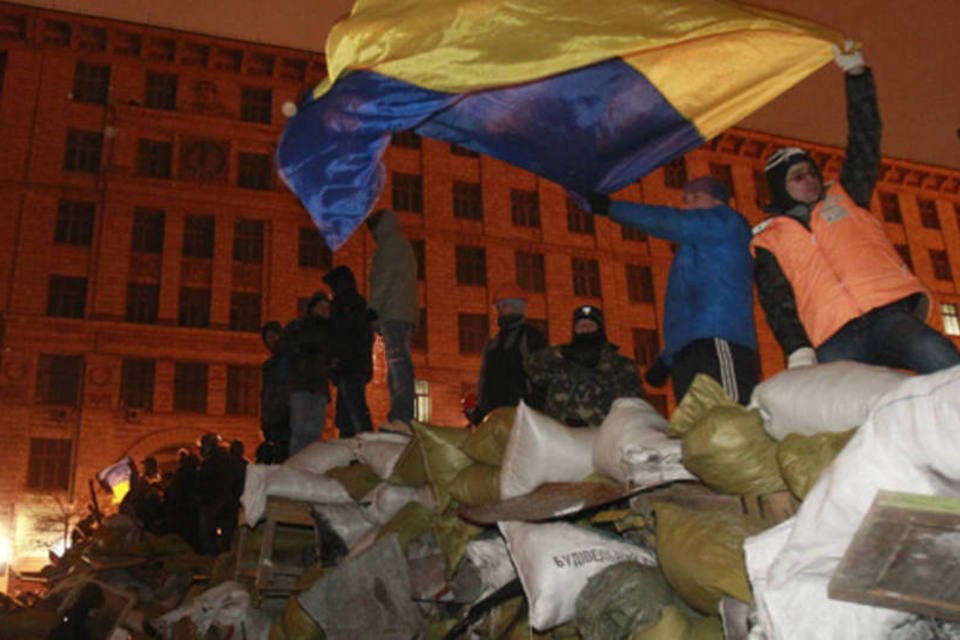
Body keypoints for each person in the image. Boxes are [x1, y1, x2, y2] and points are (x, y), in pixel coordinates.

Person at [752, 42, 960, 374]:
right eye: (797, 177)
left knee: (943, 363)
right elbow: (777, 303)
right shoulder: (767, 241)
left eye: (811, 172)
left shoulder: (845, 195)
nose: (809, 180)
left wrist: (856, 75)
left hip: (889, 315)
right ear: (781, 189)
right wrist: (797, 349)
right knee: (850, 416)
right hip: (834, 338)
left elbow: (865, 137)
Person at [587, 176, 759, 404]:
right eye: (683, 201)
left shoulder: (726, 223)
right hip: (688, 353)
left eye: (694, 198)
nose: (685, 207)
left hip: (721, 341)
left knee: (729, 422)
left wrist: (611, 208)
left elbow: (669, 221)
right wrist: (667, 358)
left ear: (718, 200)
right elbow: (684, 309)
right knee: (695, 431)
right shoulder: (693, 249)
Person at [524, 305, 644, 427]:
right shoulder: (561, 361)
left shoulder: (620, 365)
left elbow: (633, 402)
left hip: (601, 434)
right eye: (580, 326)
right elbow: (531, 366)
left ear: (600, 329)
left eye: (590, 325)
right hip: (560, 433)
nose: (585, 329)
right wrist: (560, 352)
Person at [366, 208, 419, 431]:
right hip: (401, 313)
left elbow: (383, 278)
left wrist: (373, 309)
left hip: (393, 314)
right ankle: (401, 414)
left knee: (398, 365)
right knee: (398, 364)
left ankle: (402, 415)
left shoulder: (390, 245)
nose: (373, 237)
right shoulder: (402, 245)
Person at [466, 284, 548, 425]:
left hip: (521, 415)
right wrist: (479, 413)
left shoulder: (530, 337)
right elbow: (485, 383)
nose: (500, 311)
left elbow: (542, 378)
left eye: (504, 306)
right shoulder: (493, 344)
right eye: (498, 307)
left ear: (517, 307)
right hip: (496, 417)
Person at [323, 265, 375, 438]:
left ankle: (366, 452)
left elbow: (342, 336)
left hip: (349, 366)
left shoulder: (347, 305)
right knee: (348, 416)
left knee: (355, 413)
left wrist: (336, 360)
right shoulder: (354, 304)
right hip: (351, 367)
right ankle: (354, 455)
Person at [286, 292, 332, 455]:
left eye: (327, 308)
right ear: (312, 308)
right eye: (321, 307)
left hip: (319, 387)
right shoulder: (299, 326)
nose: (324, 311)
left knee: (314, 433)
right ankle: (297, 469)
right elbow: (286, 349)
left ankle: (308, 469)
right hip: (301, 385)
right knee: (299, 432)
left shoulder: (330, 331)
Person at [195, 432, 232, 554]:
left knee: (208, 537)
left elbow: (203, 484)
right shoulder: (226, 461)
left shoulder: (210, 463)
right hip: (225, 503)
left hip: (211, 504)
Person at [260, 320, 291, 460]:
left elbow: (283, 387)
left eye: (274, 336)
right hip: (275, 417)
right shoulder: (270, 364)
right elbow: (266, 394)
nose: (271, 340)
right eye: (268, 338)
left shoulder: (287, 359)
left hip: (285, 415)